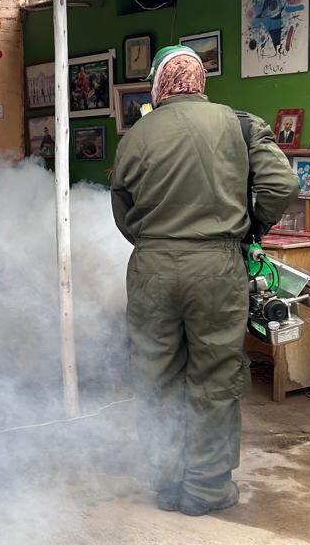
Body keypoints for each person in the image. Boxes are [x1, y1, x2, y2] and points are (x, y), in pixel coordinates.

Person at [110, 45, 297, 517]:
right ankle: (206, 490)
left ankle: (166, 482)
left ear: (158, 85)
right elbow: (281, 185)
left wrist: (156, 241)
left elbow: (123, 209)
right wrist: (251, 228)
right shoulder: (240, 124)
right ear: (200, 82)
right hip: (217, 266)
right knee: (215, 375)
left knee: (156, 374)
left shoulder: (135, 135)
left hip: (152, 267)